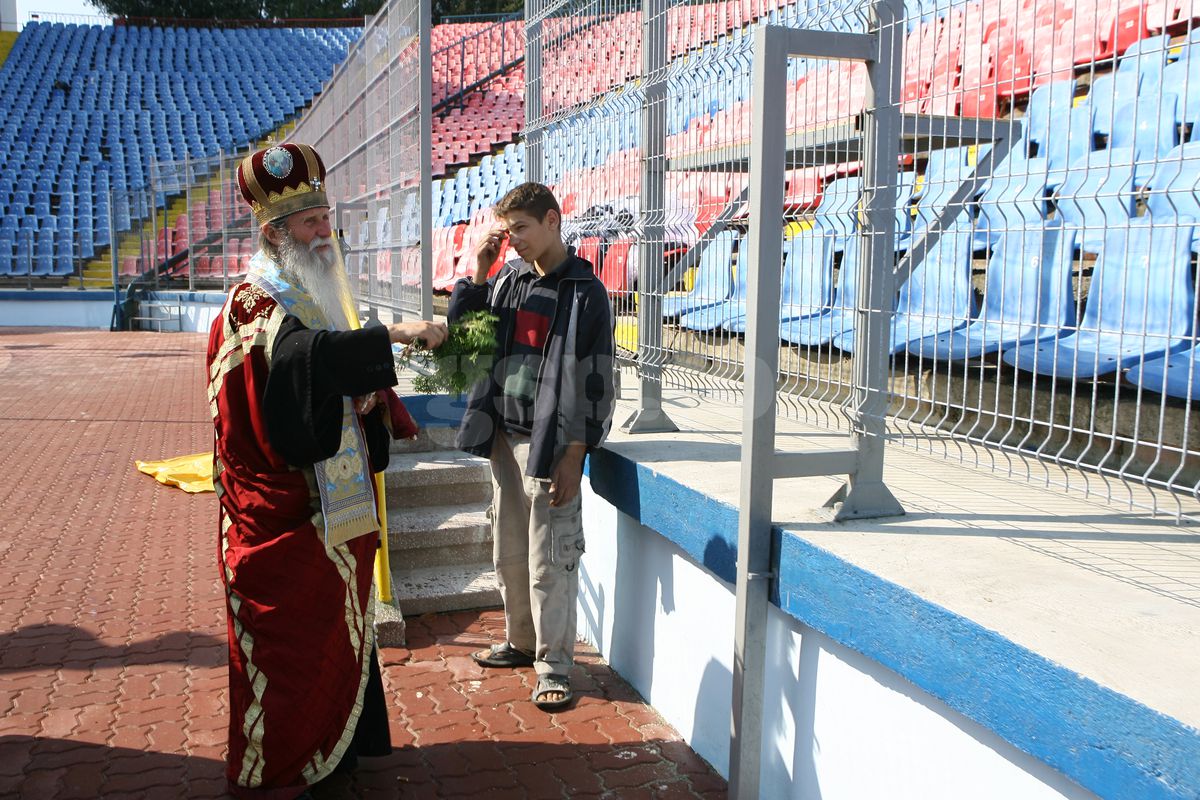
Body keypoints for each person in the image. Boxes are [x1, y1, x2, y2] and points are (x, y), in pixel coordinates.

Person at [206, 142, 447, 799]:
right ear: (273, 234)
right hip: (283, 510)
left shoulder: (313, 293)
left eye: (326, 219)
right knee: (294, 648)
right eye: (312, 224)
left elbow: (323, 374)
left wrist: (365, 398)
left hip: (329, 504)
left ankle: (338, 749)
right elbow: (292, 374)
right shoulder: (254, 304)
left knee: (339, 635)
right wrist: (391, 338)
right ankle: (291, 760)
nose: (326, 235)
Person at [449, 182, 614, 711]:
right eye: (508, 229)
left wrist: (575, 454)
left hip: (548, 446)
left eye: (521, 228)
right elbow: (467, 341)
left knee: (551, 561)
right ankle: (521, 643)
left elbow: (597, 382)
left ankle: (555, 666)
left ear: (551, 221)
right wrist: (478, 274)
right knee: (510, 553)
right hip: (504, 437)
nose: (513, 239)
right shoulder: (510, 280)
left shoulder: (585, 293)